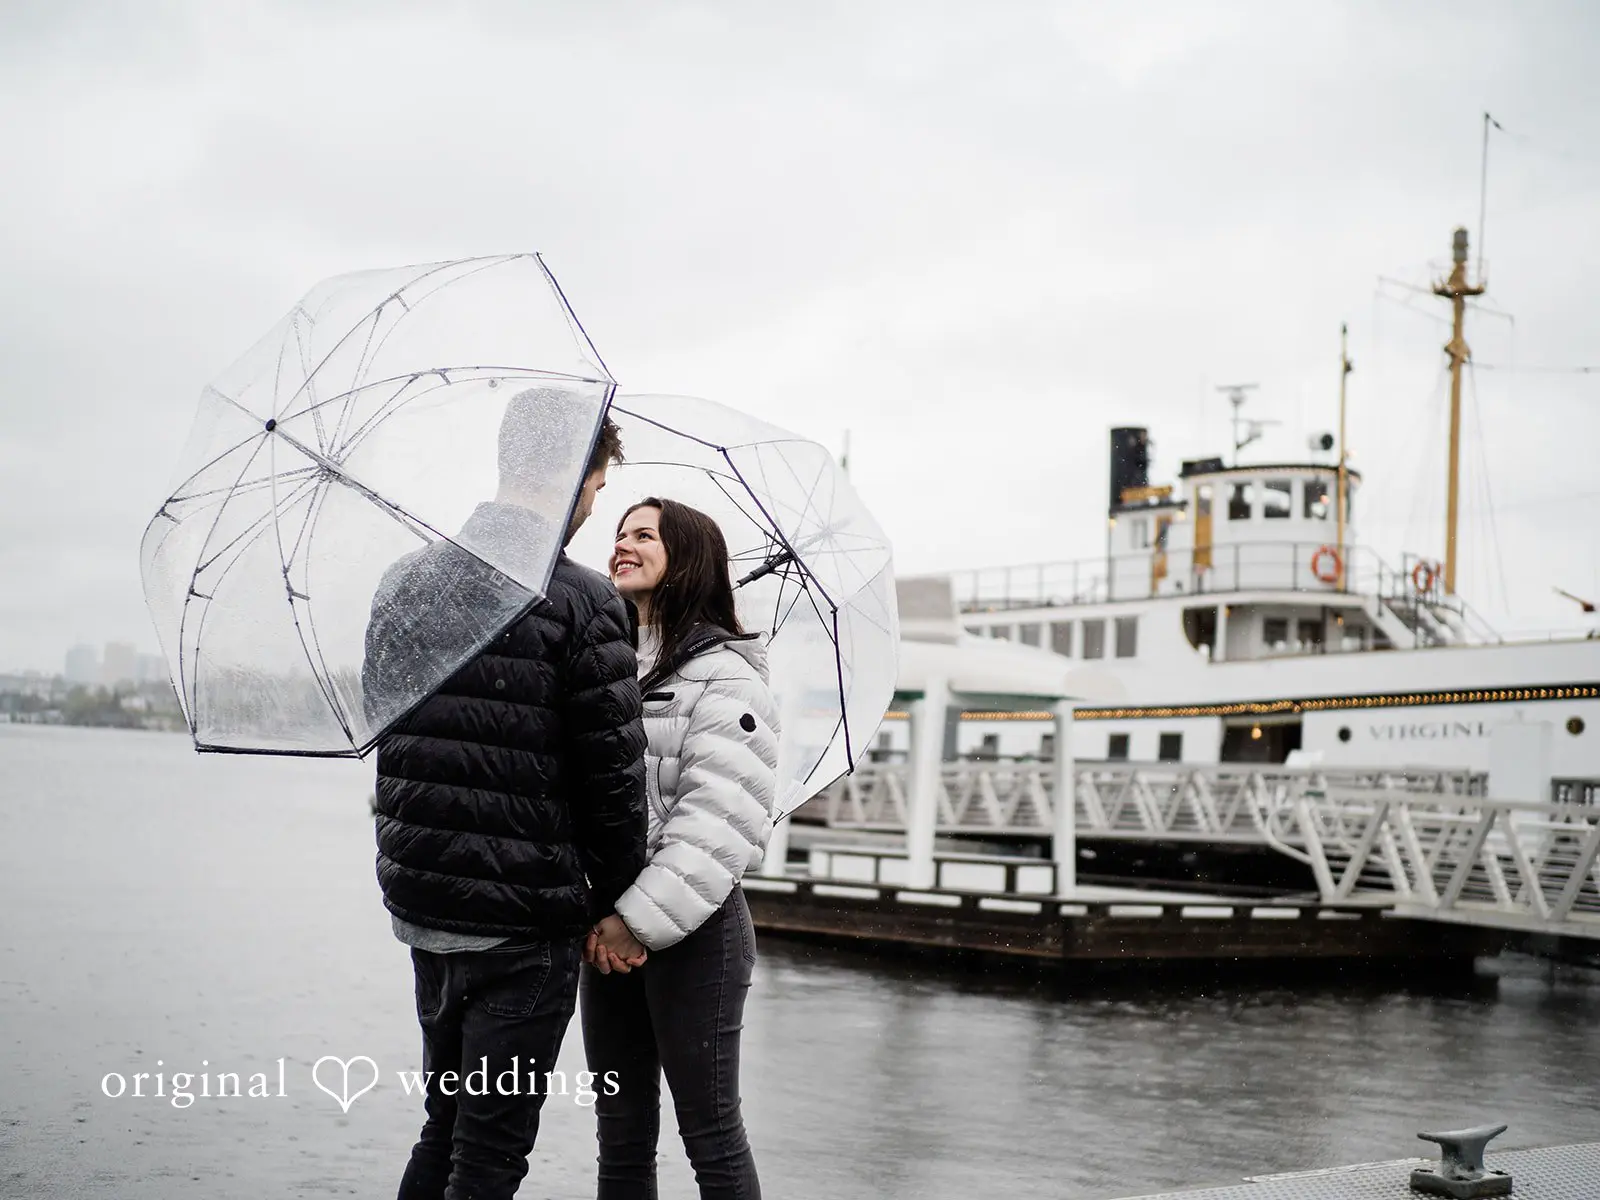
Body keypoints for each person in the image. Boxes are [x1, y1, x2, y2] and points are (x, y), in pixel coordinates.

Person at [363, 387, 650, 1200]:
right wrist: (620, 903)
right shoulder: (585, 600)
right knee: (490, 1154)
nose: (596, 506)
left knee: (442, 1126)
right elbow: (613, 782)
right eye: (598, 487)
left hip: (423, 904)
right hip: (524, 923)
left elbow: (386, 733)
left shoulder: (404, 580)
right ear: (574, 475)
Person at [580, 496, 780, 1200]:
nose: (622, 544)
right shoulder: (602, 662)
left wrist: (638, 921)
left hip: (694, 934)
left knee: (711, 1134)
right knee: (622, 1136)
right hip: (606, 933)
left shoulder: (726, 677)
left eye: (644, 535)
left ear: (687, 558)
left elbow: (718, 817)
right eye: (619, 533)